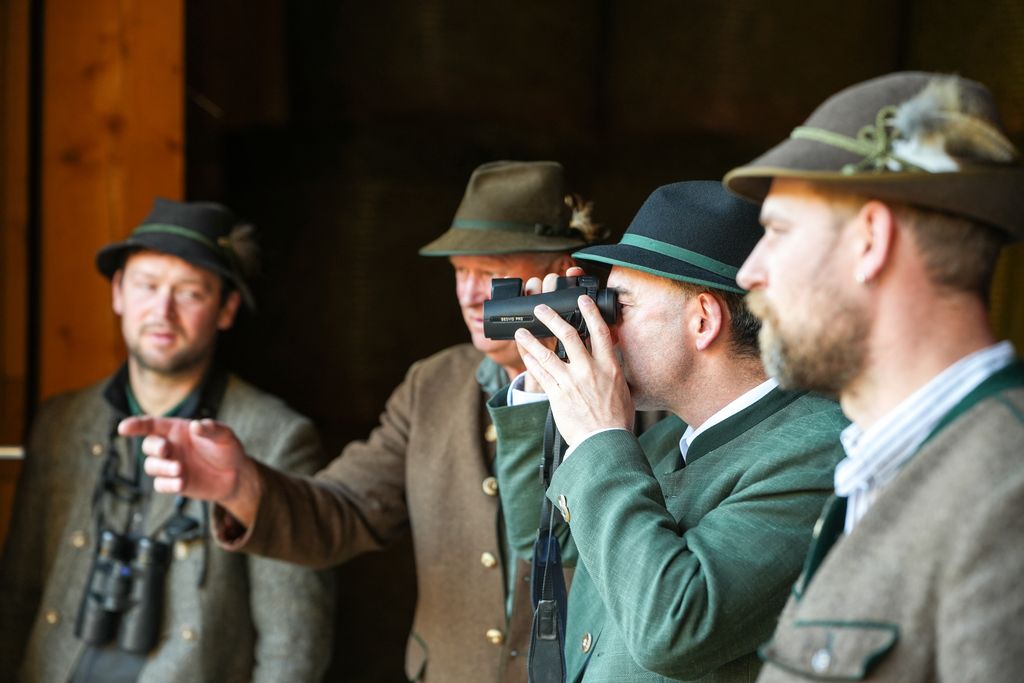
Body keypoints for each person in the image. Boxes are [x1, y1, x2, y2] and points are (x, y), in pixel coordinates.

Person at [122, 161, 604, 682]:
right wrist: (241, 488)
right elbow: (346, 510)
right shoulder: (432, 385)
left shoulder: (627, 393)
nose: (468, 295)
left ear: (563, 270)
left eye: (489, 273)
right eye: (459, 271)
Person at [723, 72, 1024, 682]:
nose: (748, 272)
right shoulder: (881, 462)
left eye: (777, 231)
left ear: (870, 241)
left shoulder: (1006, 488)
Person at [496, 180, 848, 681]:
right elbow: (552, 540)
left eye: (619, 306)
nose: (603, 327)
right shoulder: (665, 440)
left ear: (703, 320)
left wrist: (598, 439)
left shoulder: (819, 451)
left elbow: (674, 628)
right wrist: (543, 376)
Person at [0, 198, 334, 681]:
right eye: (147, 286)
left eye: (190, 293)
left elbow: (294, 642)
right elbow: (17, 595)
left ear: (226, 309)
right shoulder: (62, 422)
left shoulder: (275, 436)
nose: (163, 310)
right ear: (118, 292)